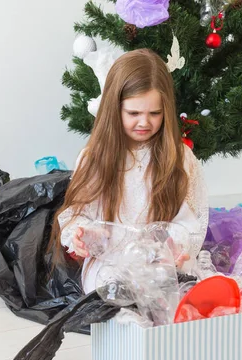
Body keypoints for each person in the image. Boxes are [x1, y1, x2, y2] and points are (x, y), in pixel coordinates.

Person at [50, 48, 208, 293]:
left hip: (162, 265)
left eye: (154, 113)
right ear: (114, 109)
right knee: (117, 294)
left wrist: (175, 247)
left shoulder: (179, 157)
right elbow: (77, 214)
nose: (144, 122)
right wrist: (81, 235)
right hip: (110, 265)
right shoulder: (95, 157)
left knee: (180, 294)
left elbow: (190, 223)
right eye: (133, 113)